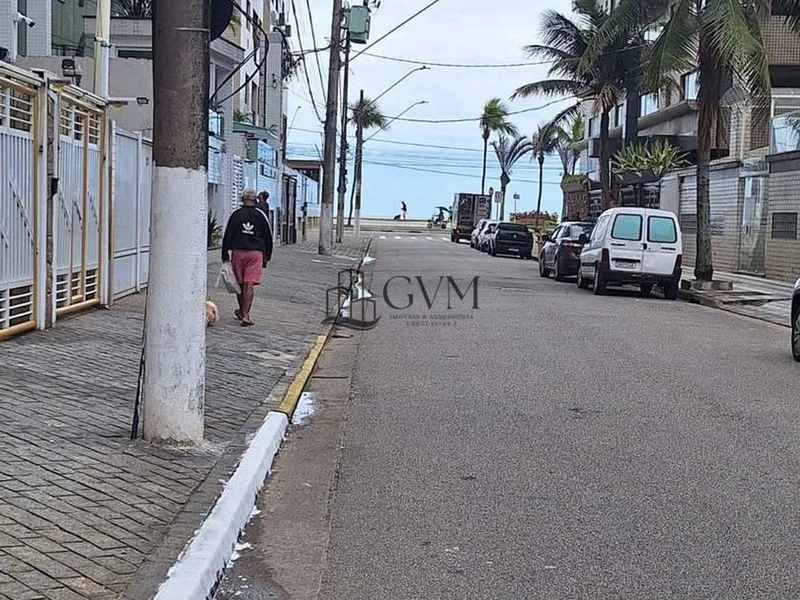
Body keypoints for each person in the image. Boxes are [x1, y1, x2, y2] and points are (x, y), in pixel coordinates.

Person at [222, 189, 273, 327]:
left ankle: (242, 311)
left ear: (242, 199)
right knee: (248, 283)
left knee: (239, 284)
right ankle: (245, 314)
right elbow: (268, 236)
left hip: (238, 252)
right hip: (255, 253)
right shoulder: (260, 215)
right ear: (255, 199)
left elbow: (228, 235)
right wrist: (267, 255)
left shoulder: (236, 215)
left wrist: (224, 254)